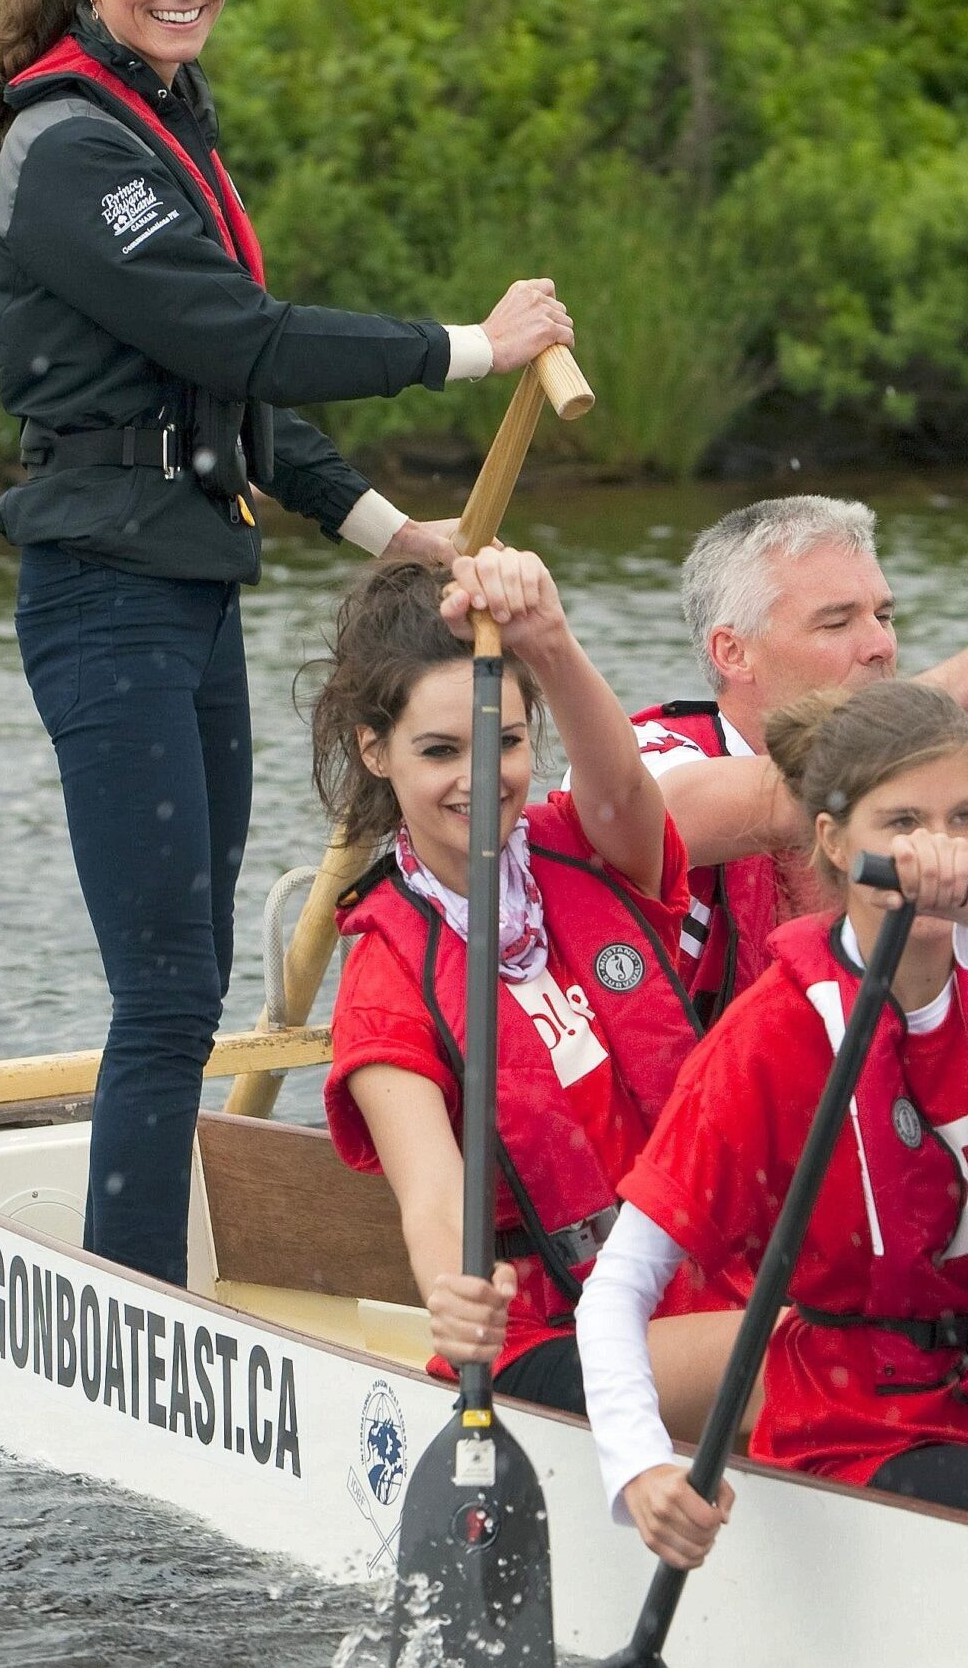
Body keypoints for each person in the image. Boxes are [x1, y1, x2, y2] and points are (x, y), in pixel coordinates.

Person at [0, 0, 575, 1283]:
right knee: (167, 990)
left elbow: (222, 394)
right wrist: (476, 348)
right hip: (103, 601)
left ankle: (156, 1277)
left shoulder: (167, 116)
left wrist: (384, 529)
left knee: (192, 977)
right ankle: (129, 1304)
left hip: (183, 593)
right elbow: (241, 334)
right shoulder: (70, 149)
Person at [579, 678, 968, 1569]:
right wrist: (638, 1467)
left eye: (962, 821)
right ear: (835, 843)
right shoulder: (774, 1037)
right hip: (874, 1431)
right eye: (903, 824)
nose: (938, 852)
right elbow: (617, 1289)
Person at [316, 550, 744, 1426]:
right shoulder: (385, 975)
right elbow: (433, 1198)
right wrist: (451, 1292)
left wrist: (547, 639)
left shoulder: (587, 847)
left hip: (705, 1280)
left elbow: (624, 783)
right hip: (551, 1336)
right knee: (817, 1351)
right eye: (440, 750)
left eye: (504, 743)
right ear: (375, 750)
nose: (482, 779)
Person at [631, 495, 968, 1020]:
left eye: (884, 615)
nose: (880, 645)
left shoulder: (925, 785)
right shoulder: (641, 762)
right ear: (733, 653)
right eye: (836, 624)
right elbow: (797, 792)